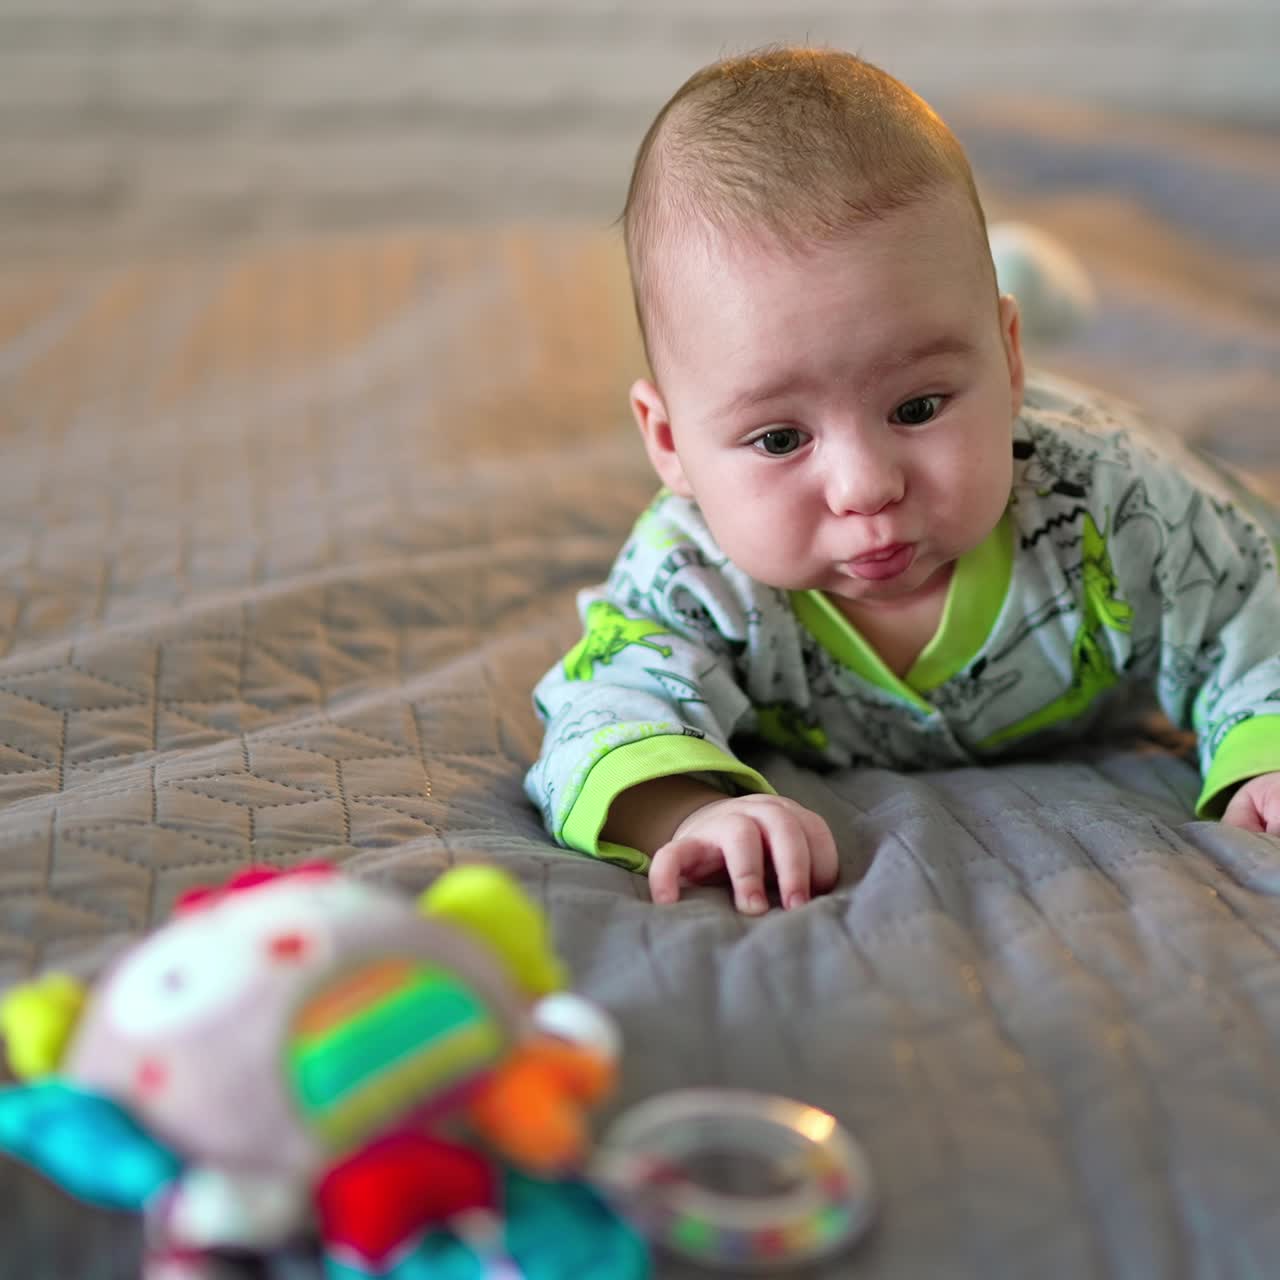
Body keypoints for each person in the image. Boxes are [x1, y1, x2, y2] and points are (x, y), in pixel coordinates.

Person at [524, 46, 1280, 915]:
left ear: (1007, 359)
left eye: (918, 409)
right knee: (894, 336)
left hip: (1060, 422)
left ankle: (1000, 289)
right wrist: (687, 811)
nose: (864, 487)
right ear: (668, 442)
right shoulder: (691, 574)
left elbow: (1248, 605)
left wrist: (1261, 753)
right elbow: (602, 710)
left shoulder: (1116, 502)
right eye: (778, 437)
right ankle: (985, 291)